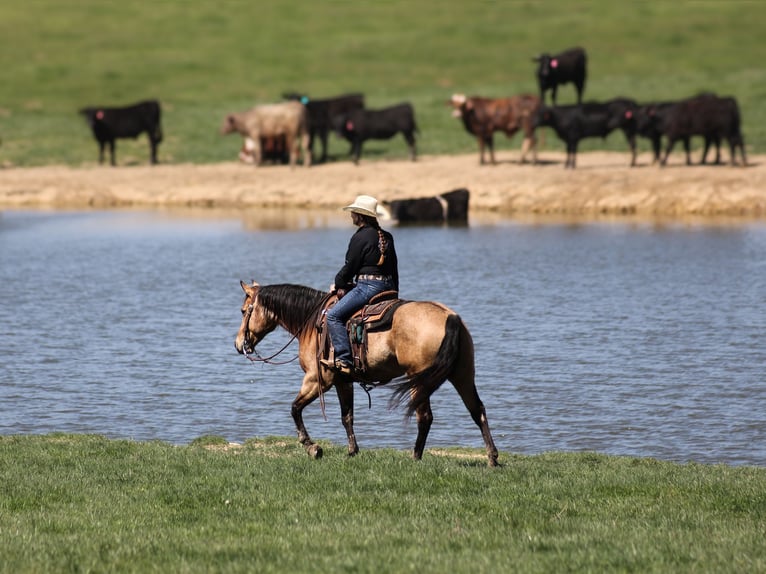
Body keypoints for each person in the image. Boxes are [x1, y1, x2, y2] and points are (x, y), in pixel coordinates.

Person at [322, 195, 399, 375]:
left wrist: (338, 283)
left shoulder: (360, 237)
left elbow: (350, 267)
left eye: (354, 213)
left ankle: (344, 360)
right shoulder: (387, 236)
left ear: (360, 216)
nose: (351, 216)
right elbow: (394, 269)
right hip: (388, 287)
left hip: (368, 287)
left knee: (332, 316)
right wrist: (394, 292)